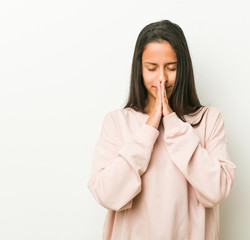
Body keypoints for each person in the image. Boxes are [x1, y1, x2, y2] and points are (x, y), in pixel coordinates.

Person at [87, 19, 236, 240]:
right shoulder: (117, 122)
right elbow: (106, 194)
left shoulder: (208, 119)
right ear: (139, 69)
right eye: (151, 68)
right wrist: (149, 129)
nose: (162, 79)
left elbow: (217, 190)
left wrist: (173, 123)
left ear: (184, 68)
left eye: (172, 68)